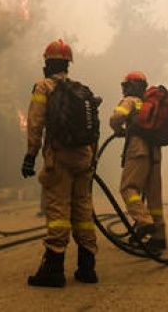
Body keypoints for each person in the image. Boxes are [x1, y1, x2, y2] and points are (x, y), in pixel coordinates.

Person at [21, 39, 98, 287]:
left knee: (58, 211)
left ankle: (53, 269)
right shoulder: (80, 89)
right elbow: (93, 128)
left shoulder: (44, 87)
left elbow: (35, 123)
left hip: (60, 157)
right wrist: (91, 158)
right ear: (67, 64)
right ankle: (87, 267)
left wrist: (30, 155)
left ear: (48, 63)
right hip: (84, 157)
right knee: (83, 210)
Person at [109, 71, 166, 252]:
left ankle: (144, 222)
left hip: (138, 151)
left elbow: (116, 118)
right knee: (153, 196)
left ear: (128, 87)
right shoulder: (149, 104)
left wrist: (118, 129)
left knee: (128, 188)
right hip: (155, 153)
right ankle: (159, 237)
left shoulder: (130, 101)